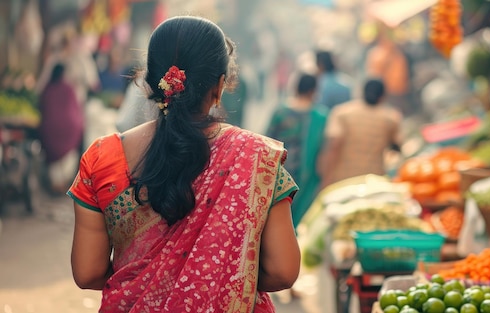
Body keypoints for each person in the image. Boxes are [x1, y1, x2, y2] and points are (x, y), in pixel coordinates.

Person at [67, 17, 301, 313]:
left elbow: (88, 272)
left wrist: (149, 279)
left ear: (150, 81)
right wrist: (222, 278)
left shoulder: (102, 157)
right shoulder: (256, 158)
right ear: (219, 86)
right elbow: (282, 271)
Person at [265, 73, 327, 228]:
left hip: (281, 170)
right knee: (300, 219)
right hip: (306, 174)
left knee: (278, 213)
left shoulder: (281, 112)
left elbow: (266, 140)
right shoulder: (320, 116)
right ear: (313, 90)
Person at [318, 78, 402, 188]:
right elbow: (397, 149)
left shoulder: (341, 113)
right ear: (382, 97)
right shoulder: (391, 118)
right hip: (374, 182)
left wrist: (326, 179)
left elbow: (334, 146)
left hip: (343, 182)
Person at [38, 63, 84, 194]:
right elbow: (76, 109)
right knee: (67, 157)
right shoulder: (69, 89)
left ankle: (55, 183)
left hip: (50, 128)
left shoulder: (47, 89)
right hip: (69, 128)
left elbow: (42, 108)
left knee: (54, 158)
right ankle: (62, 183)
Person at [365, 27, 412, 117]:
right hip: (388, 91)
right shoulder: (378, 54)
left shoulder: (397, 54)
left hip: (398, 90)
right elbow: (374, 75)